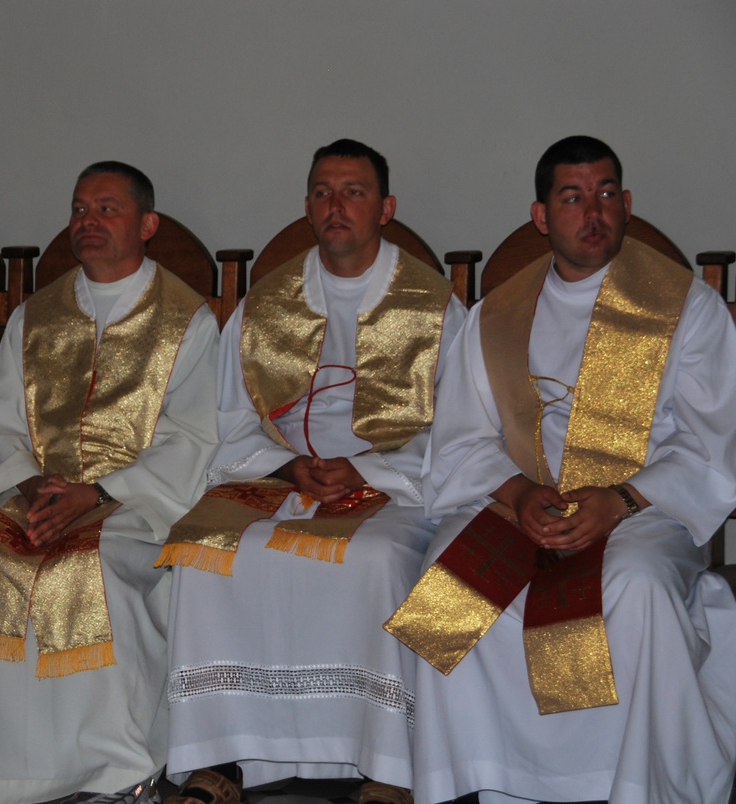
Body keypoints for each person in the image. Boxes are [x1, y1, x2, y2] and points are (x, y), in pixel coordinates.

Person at [386, 135, 736, 804]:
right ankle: (483, 782)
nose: (594, 212)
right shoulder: (497, 315)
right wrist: (519, 493)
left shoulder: (682, 306)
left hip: (645, 511)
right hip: (524, 506)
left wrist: (621, 501)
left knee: (636, 585)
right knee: (446, 581)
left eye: (606, 194)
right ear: (541, 216)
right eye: (573, 198)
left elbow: (712, 442)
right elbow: (461, 436)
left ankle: (628, 786)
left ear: (627, 203)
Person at [156, 139, 467, 804]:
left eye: (354, 192)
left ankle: (387, 767)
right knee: (204, 557)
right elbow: (230, 417)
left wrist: (365, 468)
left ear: (385, 208)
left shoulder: (434, 306)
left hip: (391, 486)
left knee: (375, 560)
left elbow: (461, 428)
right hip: (281, 478)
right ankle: (225, 757)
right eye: (323, 193)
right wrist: (286, 464)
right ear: (306, 207)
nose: (336, 206)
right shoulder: (266, 304)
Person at [0, 162, 219, 804]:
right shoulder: (36, 315)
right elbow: (0, 421)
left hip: (134, 505)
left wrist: (95, 495)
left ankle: (108, 762)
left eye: (107, 208)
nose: (87, 221)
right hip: (37, 496)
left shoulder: (188, 319)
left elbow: (193, 437)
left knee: (87, 570)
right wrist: (29, 488)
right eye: (79, 209)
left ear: (147, 224)